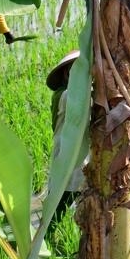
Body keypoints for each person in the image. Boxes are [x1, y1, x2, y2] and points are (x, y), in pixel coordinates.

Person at [46, 50, 85, 221]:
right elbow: (82, 99)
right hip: (66, 160)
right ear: (66, 74)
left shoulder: (83, 93)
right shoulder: (63, 95)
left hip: (83, 162)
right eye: (75, 69)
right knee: (54, 215)